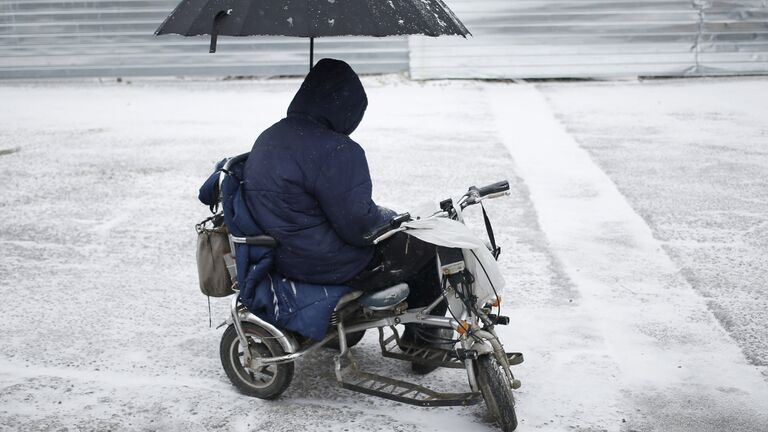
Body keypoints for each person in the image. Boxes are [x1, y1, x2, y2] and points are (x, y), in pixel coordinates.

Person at [242, 59, 446, 372]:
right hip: (326, 263)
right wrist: (391, 220)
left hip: (281, 255)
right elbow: (360, 228)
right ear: (348, 109)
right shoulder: (338, 150)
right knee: (429, 245)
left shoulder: (270, 136)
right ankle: (424, 343)